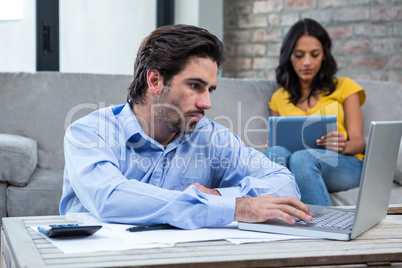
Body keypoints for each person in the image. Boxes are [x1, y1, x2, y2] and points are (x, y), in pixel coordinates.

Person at [60, 24, 313, 229]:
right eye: (195, 86)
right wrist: (237, 207)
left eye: (210, 89)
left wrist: (217, 196)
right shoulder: (89, 133)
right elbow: (110, 198)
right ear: (155, 80)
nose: (207, 103)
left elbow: (284, 183)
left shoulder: (211, 137)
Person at [264, 18, 366, 206]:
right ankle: (275, 222)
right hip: (299, 165)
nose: (307, 62)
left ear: (325, 55)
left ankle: (323, 229)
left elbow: (359, 143)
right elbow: (279, 148)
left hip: (344, 164)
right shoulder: (279, 97)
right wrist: (275, 142)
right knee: (274, 152)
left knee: (302, 158)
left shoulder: (345, 87)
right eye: (299, 55)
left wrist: (343, 146)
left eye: (315, 54)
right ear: (289, 56)